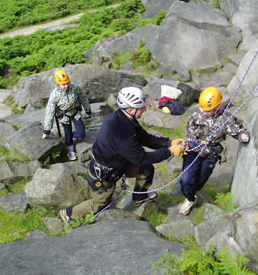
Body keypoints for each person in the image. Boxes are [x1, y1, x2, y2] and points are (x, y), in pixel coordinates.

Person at [59, 86, 186, 223]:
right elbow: (142, 158)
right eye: (142, 107)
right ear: (131, 109)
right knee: (99, 205)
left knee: (146, 169)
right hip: (104, 176)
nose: (145, 109)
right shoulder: (119, 130)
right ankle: (68, 214)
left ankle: (139, 198)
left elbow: (146, 138)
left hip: (119, 164)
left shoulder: (125, 118)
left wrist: (169, 143)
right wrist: (170, 152)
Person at [179, 87, 250, 215]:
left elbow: (237, 130)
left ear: (217, 107)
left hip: (211, 153)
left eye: (208, 110)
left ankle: (193, 191)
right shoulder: (197, 114)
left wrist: (243, 135)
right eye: (203, 109)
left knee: (200, 180)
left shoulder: (226, 119)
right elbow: (190, 126)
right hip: (194, 150)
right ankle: (190, 198)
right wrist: (194, 141)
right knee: (186, 179)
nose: (204, 112)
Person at [42, 69, 91, 161]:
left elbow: (83, 98)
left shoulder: (75, 88)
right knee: (68, 134)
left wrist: (87, 109)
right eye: (63, 84)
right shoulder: (54, 95)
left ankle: (70, 138)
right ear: (58, 84)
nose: (66, 86)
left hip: (75, 113)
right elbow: (50, 112)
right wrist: (47, 129)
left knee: (81, 133)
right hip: (64, 116)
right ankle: (71, 150)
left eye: (67, 83)